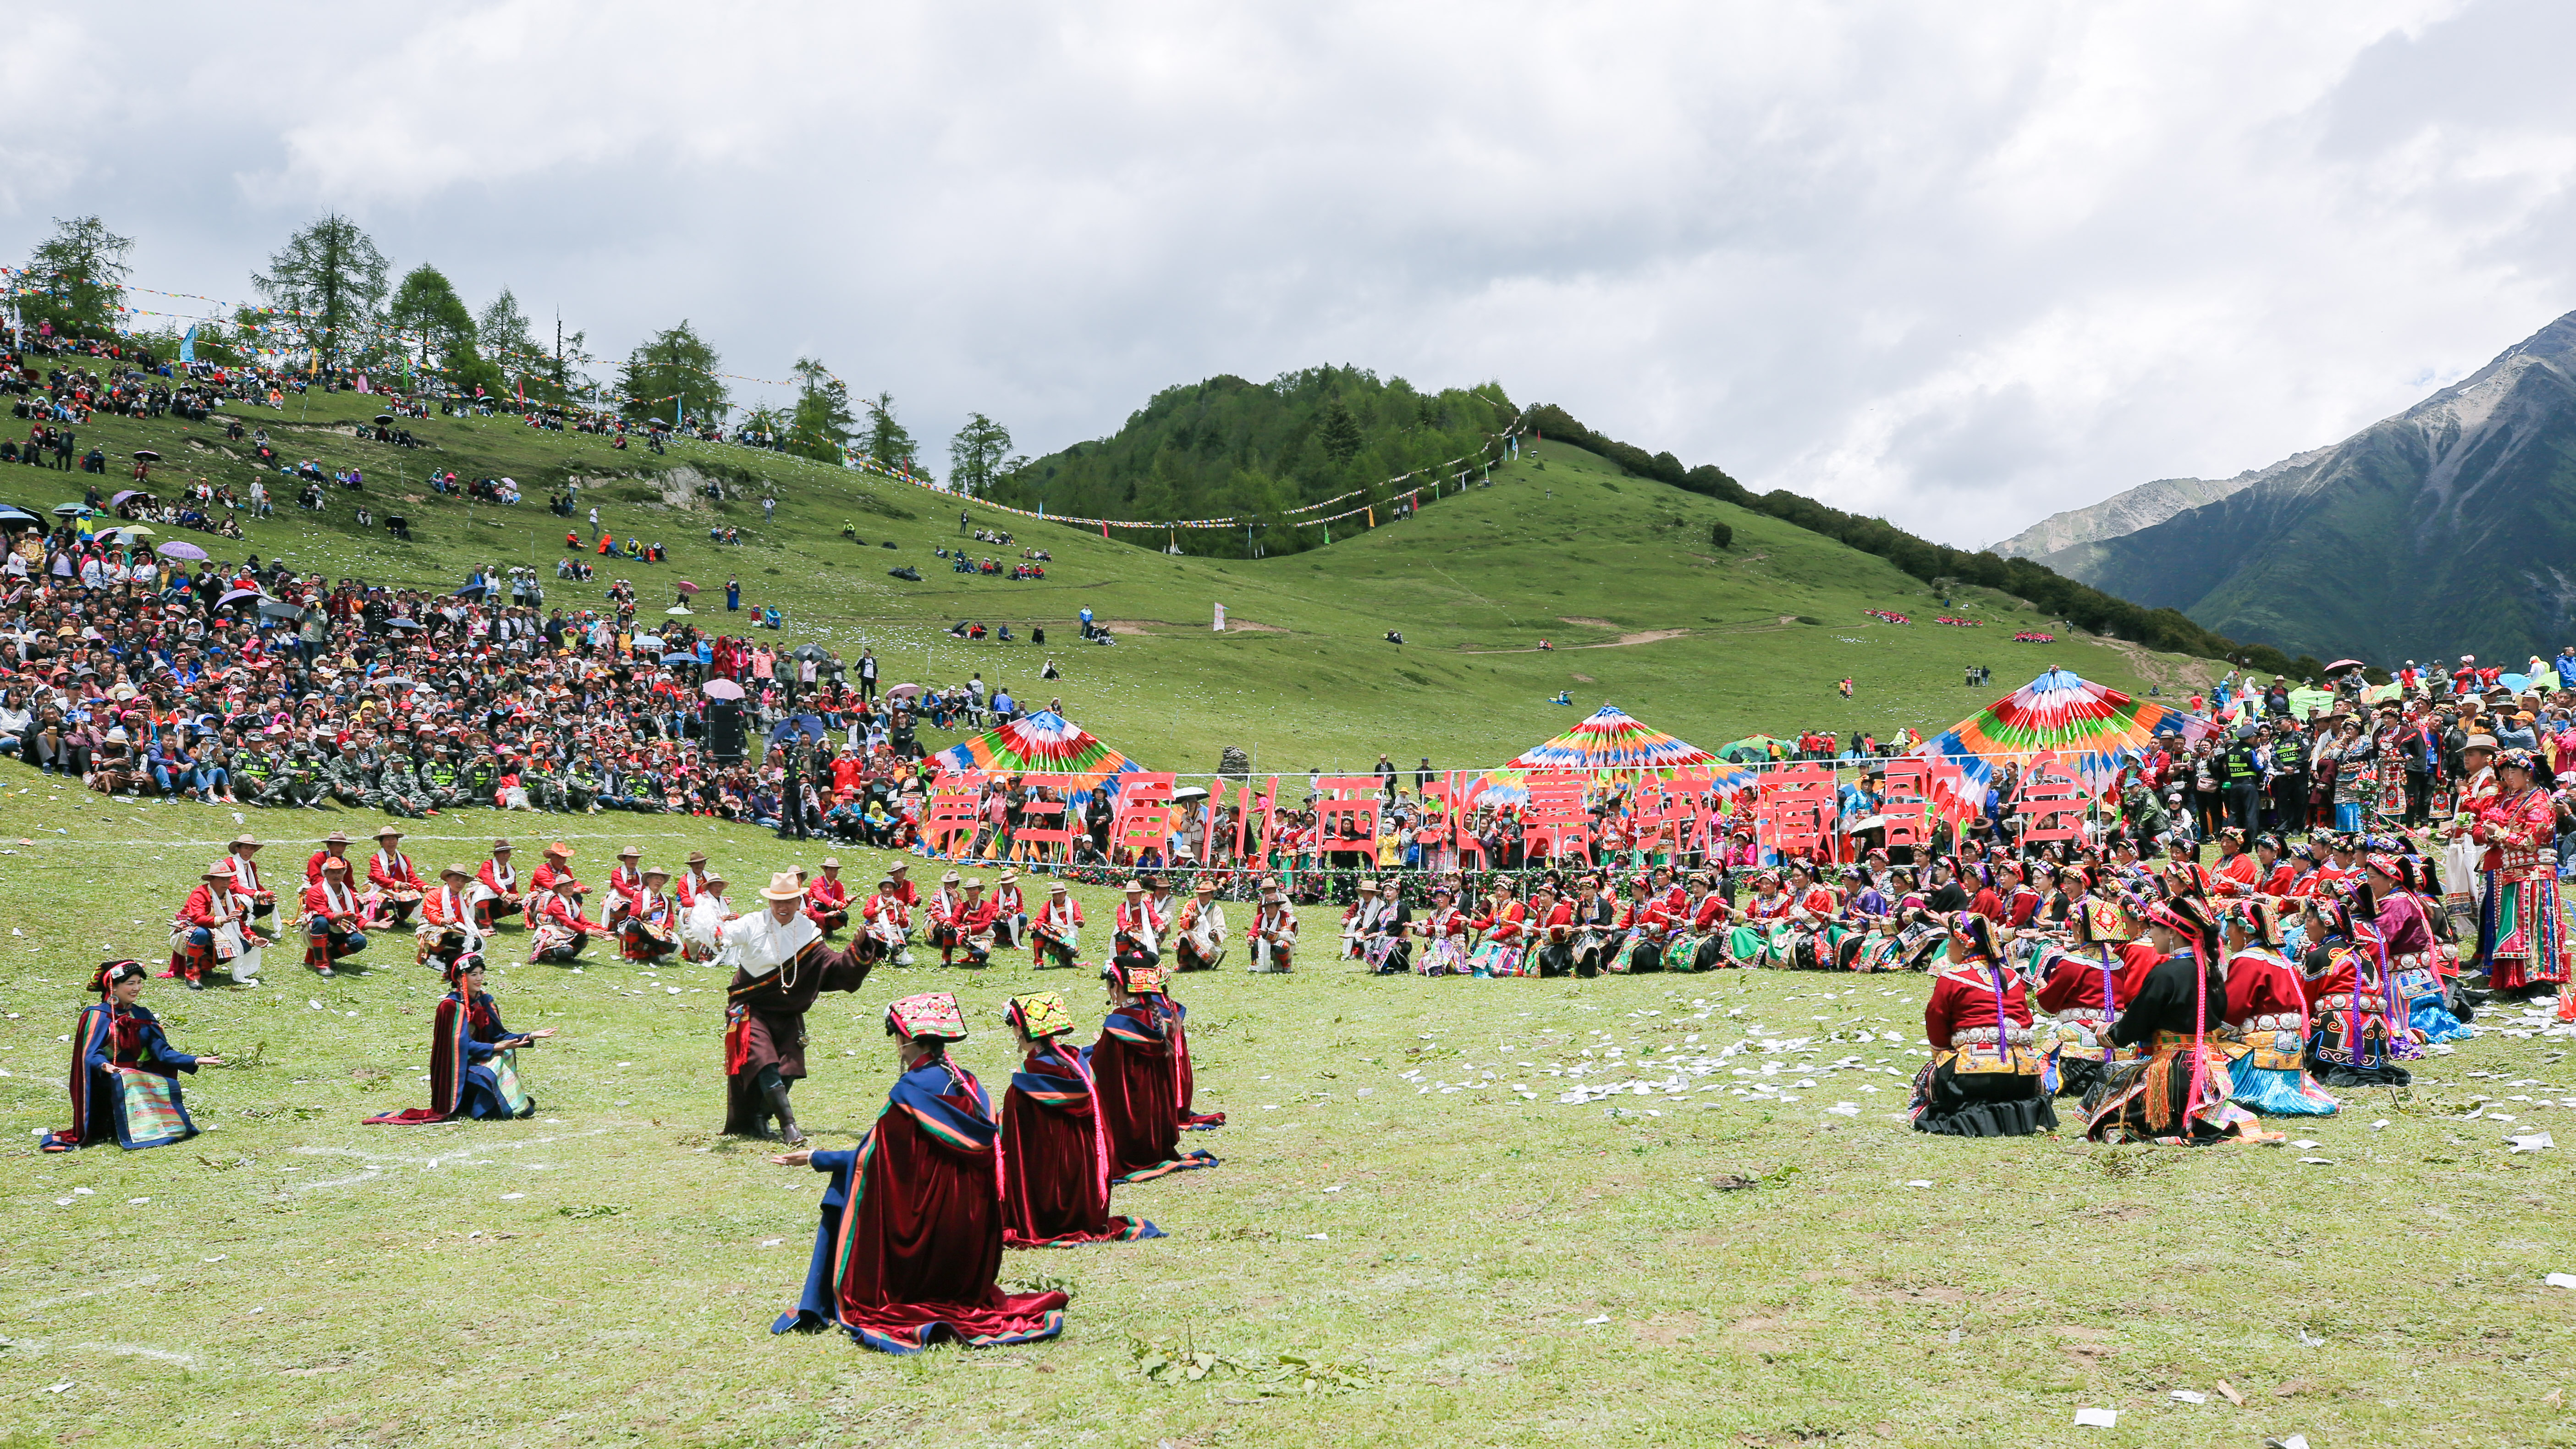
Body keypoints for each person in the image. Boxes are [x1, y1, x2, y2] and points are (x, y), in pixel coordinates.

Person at [770, 990, 1069, 1352]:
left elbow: (874, 1159)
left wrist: (819, 1158)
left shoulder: (909, 1094)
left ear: (903, 1041)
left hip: (928, 1234)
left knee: (844, 1188)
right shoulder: (971, 1086)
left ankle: (835, 1294)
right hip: (972, 1237)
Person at [2084, 897, 2277, 1144]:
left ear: (2172, 933)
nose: (2150, 933)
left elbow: (2132, 1028)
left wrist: (2104, 1031)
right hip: (2212, 1074)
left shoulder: (2165, 974)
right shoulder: (2212, 971)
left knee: (2110, 1088)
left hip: (2173, 1072)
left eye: (2154, 927)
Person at [996, 990, 1166, 1247]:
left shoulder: (1025, 1083)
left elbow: (1020, 1147)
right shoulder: (1080, 1067)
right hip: (1087, 1191)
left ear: (1021, 1031)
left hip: (1047, 1196)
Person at [720, 871, 877, 1143]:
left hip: (786, 1011)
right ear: (770, 902)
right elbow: (727, 935)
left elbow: (833, 966)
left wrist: (859, 949)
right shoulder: (753, 922)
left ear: (799, 902)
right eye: (777, 902)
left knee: (790, 1067)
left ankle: (760, 1117)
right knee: (765, 1061)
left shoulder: (807, 931)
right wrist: (715, 934)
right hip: (751, 1006)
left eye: (789, 901)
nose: (782, 907)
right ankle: (789, 1127)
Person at [44, 960, 224, 1151]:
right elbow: (90, 1053)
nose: (137, 988)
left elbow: (162, 1052)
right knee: (128, 1079)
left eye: (139, 983)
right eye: (131, 983)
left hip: (139, 1075)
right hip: (111, 1077)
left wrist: (194, 1060)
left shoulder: (142, 1014)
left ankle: (158, 1129)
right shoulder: (97, 1015)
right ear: (113, 987)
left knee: (156, 1081)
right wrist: (105, 1065)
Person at [365, 953, 557, 1124]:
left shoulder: (485, 1001)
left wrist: (530, 1036)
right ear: (459, 978)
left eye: (482, 973)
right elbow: (460, 1045)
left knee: (506, 1054)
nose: (480, 978)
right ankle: (488, 1108)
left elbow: (499, 1035)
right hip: (456, 1065)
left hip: (479, 1056)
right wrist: (495, 1048)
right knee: (496, 1063)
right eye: (474, 974)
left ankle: (508, 1105)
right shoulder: (451, 1006)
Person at [1910, 917, 2055, 1137]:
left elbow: (1936, 1020)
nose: (1948, 946)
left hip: (1974, 1078)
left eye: (1951, 940)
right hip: (2022, 1078)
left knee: (1932, 1071)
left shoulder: (1952, 977)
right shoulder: (2014, 977)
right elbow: (2026, 1020)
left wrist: (1943, 1053)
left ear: (1966, 945)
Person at [1085, 955, 1221, 1183]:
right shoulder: (1161, 1018)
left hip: (1129, 1135)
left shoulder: (1119, 1024)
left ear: (1117, 987)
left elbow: (1101, 1075)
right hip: (1158, 1133)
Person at [2215, 898, 2338, 1117]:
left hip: (2257, 1057)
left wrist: (2209, 1034)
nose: (2226, 934)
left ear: (2245, 930)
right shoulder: (2284, 962)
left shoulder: (2248, 960)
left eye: (2230, 926)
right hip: (2291, 1058)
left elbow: (2233, 1011)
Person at [2475, 748, 2570, 1003]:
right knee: (2516, 927)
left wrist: (2498, 833)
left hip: (2534, 875)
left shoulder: (2539, 802)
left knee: (2533, 928)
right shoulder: (2517, 800)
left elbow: (2531, 841)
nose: (2508, 776)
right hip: (2515, 873)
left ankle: (2538, 980)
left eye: (2513, 771)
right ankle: (2518, 981)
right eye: (2505, 771)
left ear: (2528, 773)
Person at [2032, 899, 2152, 1099]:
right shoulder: (2117, 962)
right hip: (2114, 1046)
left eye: (2074, 924)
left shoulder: (2072, 962)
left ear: (2080, 928)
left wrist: (2043, 987)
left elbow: (2048, 1005)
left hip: (2077, 1052)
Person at [301, 855, 370, 976]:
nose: (336, 875)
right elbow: (322, 913)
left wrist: (378, 925)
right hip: (317, 928)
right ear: (325, 873)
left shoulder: (348, 893)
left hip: (340, 928)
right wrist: (341, 916)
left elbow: (357, 918)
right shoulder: (315, 891)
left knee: (360, 941)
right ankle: (321, 964)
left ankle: (327, 956)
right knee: (320, 921)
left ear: (344, 874)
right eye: (332, 872)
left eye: (339, 872)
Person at [529, 876, 607, 964]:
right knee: (566, 950)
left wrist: (601, 932)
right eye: (565, 886)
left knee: (583, 936)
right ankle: (546, 954)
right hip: (551, 932)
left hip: (565, 931)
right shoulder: (556, 903)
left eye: (570, 885)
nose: (568, 888)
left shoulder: (574, 903)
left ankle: (567, 957)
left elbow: (583, 921)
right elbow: (567, 922)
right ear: (558, 889)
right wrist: (591, 932)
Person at [366, 825, 427, 926]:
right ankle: (379, 919)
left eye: (394, 839)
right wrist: (398, 884)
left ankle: (399, 919)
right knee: (382, 899)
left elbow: (411, 878)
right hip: (381, 889)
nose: (391, 842)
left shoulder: (405, 859)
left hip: (400, 891)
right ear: (381, 843)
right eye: (388, 839)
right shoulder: (376, 860)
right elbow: (379, 878)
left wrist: (426, 887)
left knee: (416, 897)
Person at [619, 865, 682, 963]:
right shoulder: (640, 896)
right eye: (656, 878)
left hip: (658, 930)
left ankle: (653, 953)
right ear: (649, 880)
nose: (659, 881)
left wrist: (668, 929)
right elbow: (633, 913)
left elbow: (670, 917)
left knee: (675, 944)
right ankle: (631, 955)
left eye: (661, 880)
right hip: (642, 930)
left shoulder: (666, 900)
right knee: (633, 924)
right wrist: (650, 911)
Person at [1172, 877, 1228, 971]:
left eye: (1206, 895)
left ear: (1212, 896)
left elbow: (1221, 928)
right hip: (1193, 939)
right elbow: (1182, 922)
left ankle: (1204, 964)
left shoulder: (1216, 909)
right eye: (1201, 895)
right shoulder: (1191, 905)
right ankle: (1184, 965)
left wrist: (1215, 934)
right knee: (1185, 935)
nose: (1203, 897)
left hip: (1209, 945)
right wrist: (1190, 920)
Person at [469, 838, 524, 934]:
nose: (505, 855)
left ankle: (490, 918)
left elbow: (513, 889)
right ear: (495, 854)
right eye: (502, 853)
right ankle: (484, 923)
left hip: (499, 897)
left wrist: (511, 899)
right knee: (483, 892)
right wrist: (505, 895)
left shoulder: (511, 870)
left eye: (507, 853)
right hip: (483, 896)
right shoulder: (488, 865)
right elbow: (489, 882)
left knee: (517, 906)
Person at [1030, 880, 1083, 969]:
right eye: (1055, 895)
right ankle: (1039, 963)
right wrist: (1034, 925)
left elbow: (1079, 918)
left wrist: (1080, 922)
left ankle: (1065, 958)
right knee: (1038, 932)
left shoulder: (1074, 904)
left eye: (1060, 894)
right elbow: (1041, 918)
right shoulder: (1048, 905)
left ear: (1065, 894)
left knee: (1072, 951)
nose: (1058, 897)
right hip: (1053, 934)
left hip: (1070, 934)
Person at [804, 857, 853, 936]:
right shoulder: (817, 882)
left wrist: (847, 901)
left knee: (843, 916)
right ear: (825, 870)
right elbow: (820, 895)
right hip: (817, 909)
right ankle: (818, 928)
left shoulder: (839, 885)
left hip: (831, 909)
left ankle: (828, 929)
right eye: (831, 870)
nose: (833, 873)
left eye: (836, 870)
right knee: (820, 906)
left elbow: (841, 902)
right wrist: (834, 902)